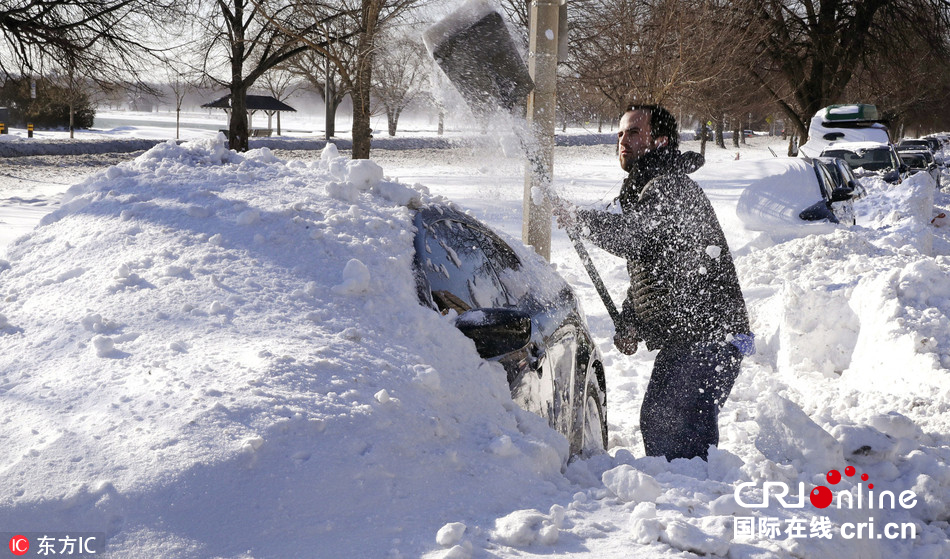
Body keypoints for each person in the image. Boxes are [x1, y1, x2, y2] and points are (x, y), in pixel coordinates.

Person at [553, 104, 754, 461]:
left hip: (710, 337)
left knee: (674, 430)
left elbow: (635, 237)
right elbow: (652, 274)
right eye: (619, 134)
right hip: (692, 339)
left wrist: (579, 218)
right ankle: (693, 496)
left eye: (633, 132)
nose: (622, 141)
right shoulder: (651, 190)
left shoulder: (670, 187)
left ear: (660, 141)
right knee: (660, 423)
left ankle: (696, 502)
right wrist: (631, 321)